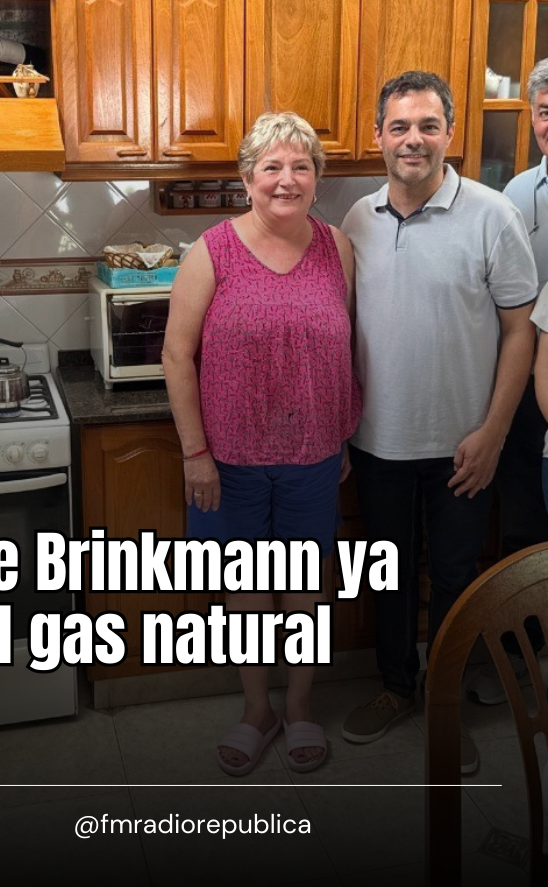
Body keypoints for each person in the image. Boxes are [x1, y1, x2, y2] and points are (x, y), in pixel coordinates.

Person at [340, 71, 537, 773]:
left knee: (454, 578)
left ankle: (444, 705)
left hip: (464, 445)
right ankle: (396, 687)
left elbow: (520, 332)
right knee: (388, 576)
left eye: (428, 126)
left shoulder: (491, 215)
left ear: (449, 134)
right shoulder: (357, 220)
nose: (413, 139)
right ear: (378, 136)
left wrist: (494, 433)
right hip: (377, 442)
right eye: (399, 126)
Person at [163, 112, 361, 777]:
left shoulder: (337, 247)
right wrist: (196, 454)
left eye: (301, 166)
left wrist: (342, 433)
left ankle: (299, 705)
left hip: (314, 455)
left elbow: (343, 345)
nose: (286, 179)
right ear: (247, 179)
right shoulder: (212, 250)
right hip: (230, 460)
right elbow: (176, 354)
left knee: (305, 588)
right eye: (271, 166)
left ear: (316, 179)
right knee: (245, 592)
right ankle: (257, 710)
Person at [489, 57, 548, 705]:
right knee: (524, 530)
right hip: (532, 385)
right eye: (546, 110)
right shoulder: (516, 195)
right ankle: (523, 665)